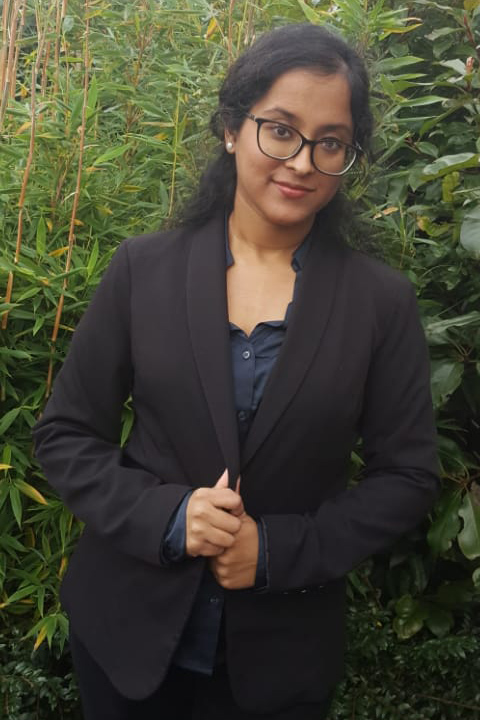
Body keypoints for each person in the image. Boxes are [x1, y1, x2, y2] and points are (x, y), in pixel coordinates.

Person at [33, 23, 439, 720]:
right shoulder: (144, 270)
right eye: (279, 130)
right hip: (126, 635)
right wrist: (168, 516)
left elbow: (407, 477)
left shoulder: (380, 302)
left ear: (349, 156)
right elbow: (67, 435)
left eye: (330, 142)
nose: (302, 161)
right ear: (231, 128)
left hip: (278, 661)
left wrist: (277, 551)